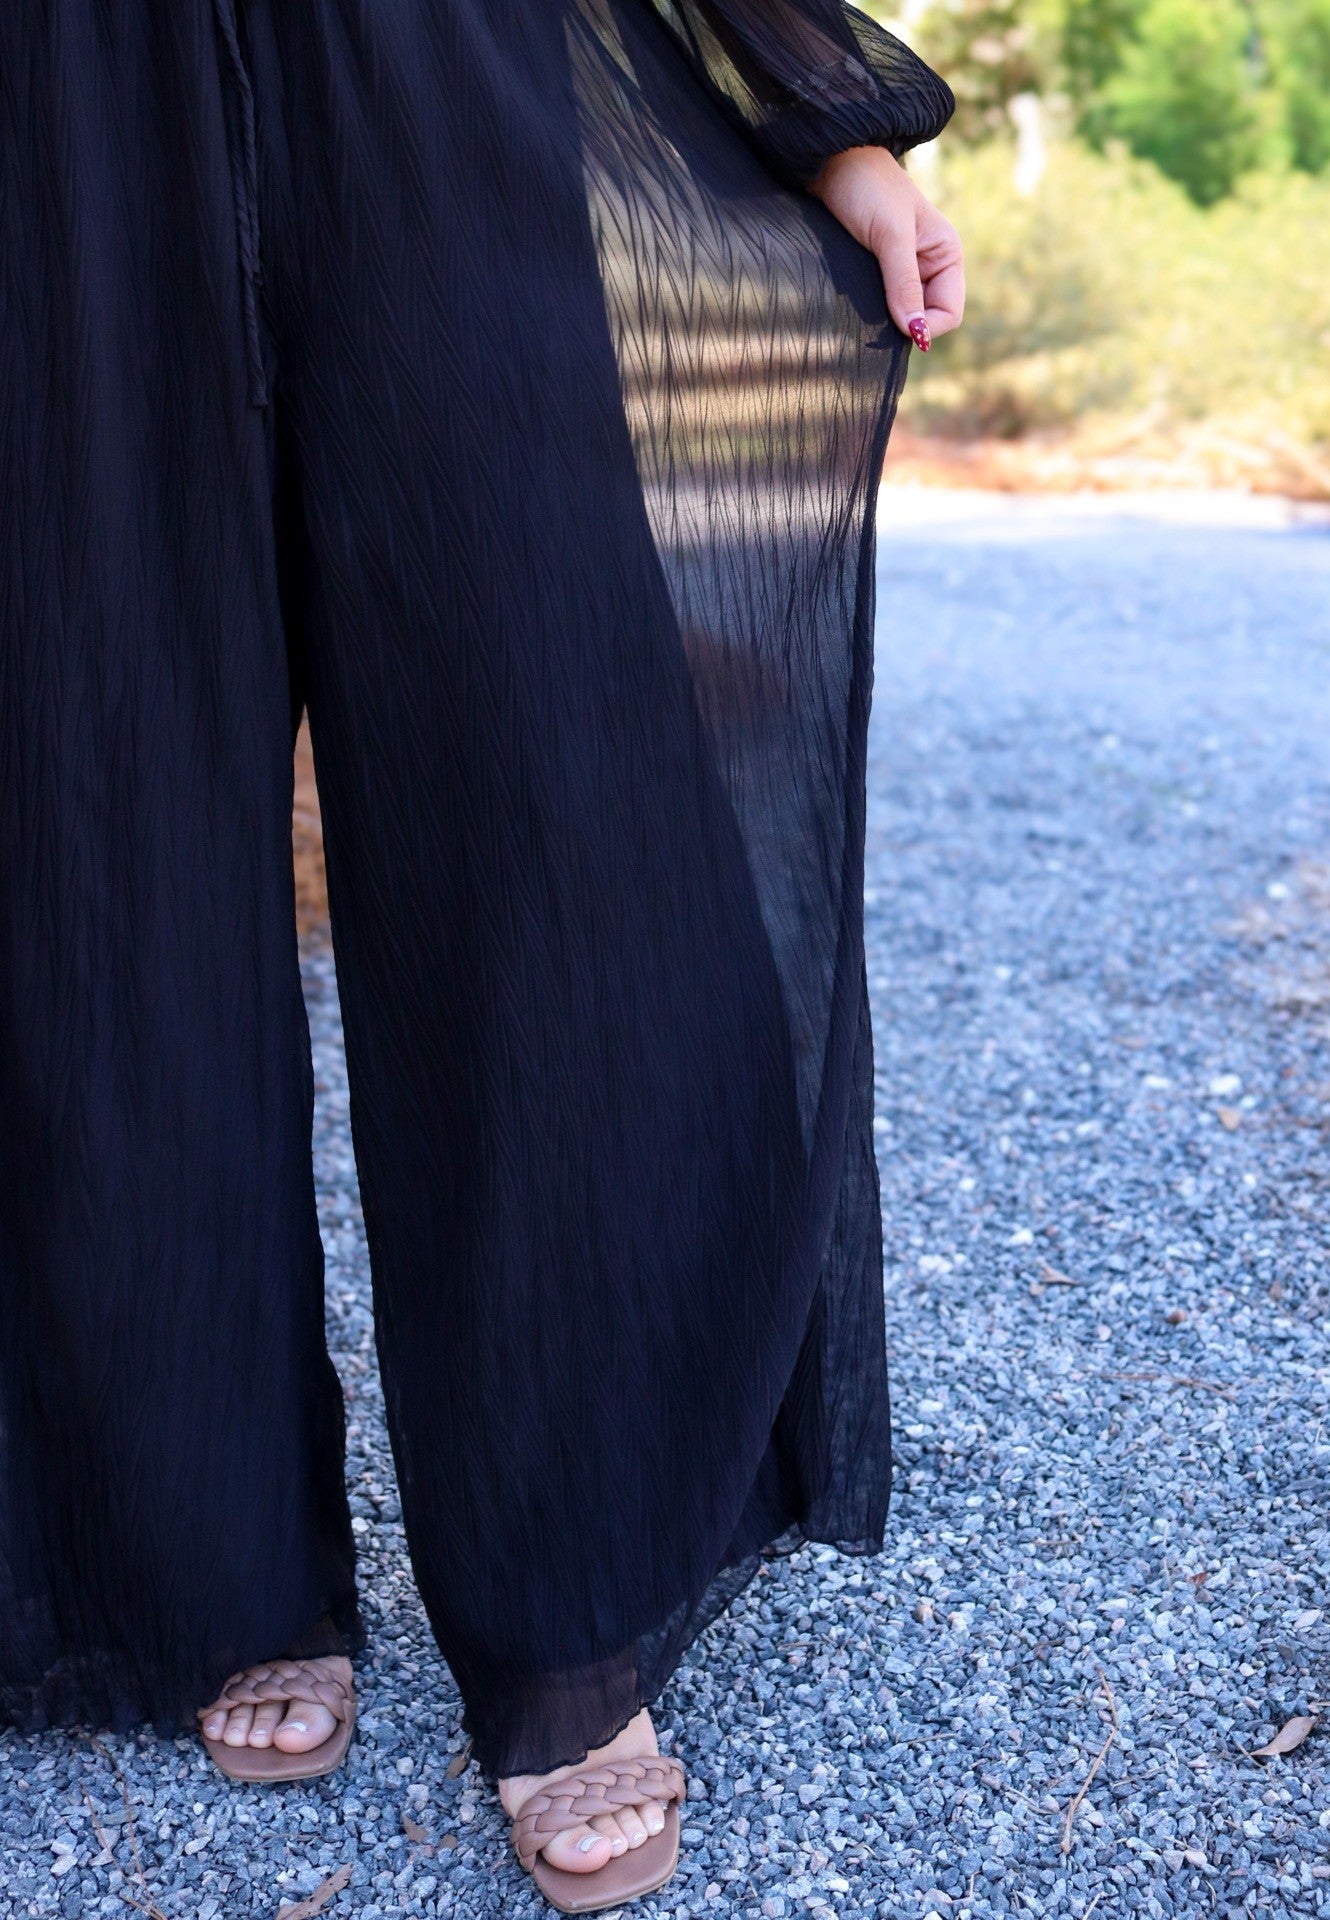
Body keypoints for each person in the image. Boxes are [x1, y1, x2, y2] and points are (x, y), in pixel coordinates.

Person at [2, 1, 962, 1909]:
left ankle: (569, 1604)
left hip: (432, 74)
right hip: (54, 115)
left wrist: (825, 117)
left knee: (561, 826)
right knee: (95, 850)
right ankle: (208, 1563)